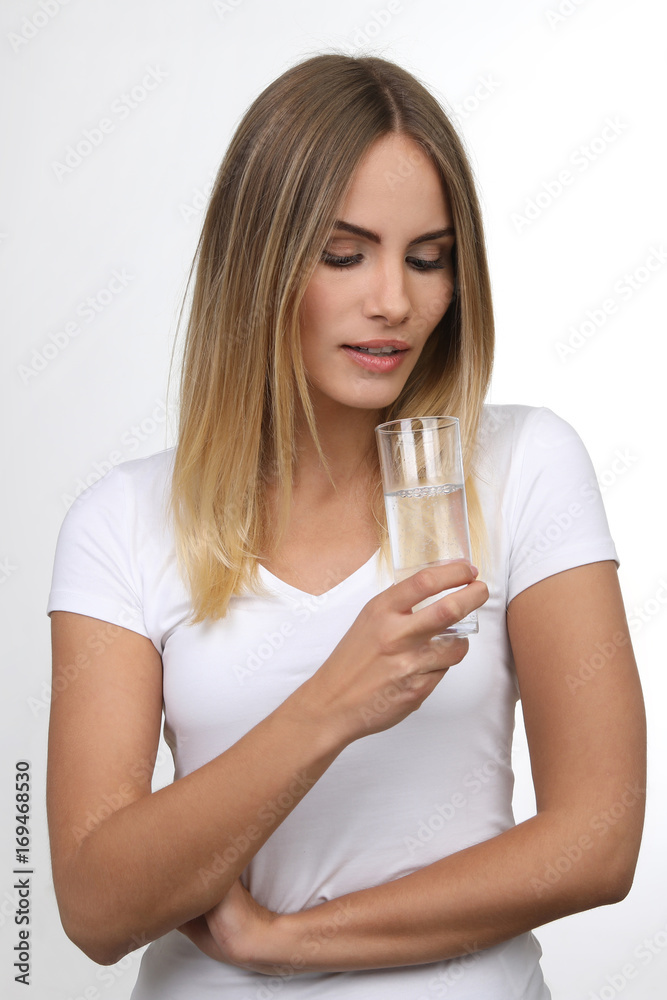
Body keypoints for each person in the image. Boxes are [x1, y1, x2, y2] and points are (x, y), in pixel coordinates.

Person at [46, 54, 646, 999]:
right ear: (257, 262)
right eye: (342, 254)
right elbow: (94, 908)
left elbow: (598, 840)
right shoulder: (121, 523)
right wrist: (331, 704)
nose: (393, 301)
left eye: (427, 258)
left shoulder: (524, 466)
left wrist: (287, 941)